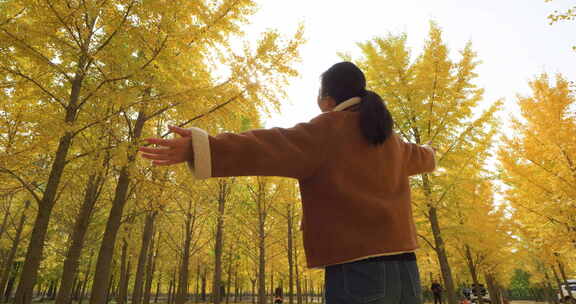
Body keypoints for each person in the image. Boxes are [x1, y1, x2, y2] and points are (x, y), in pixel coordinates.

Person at [139, 61, 436, 304]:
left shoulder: (328, 129)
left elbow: (268, 146)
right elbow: (423, 157)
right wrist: (431, 152)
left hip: (359, 274)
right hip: (408, 273)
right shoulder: (390, 140)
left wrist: (202, 147)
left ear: (328, 101)